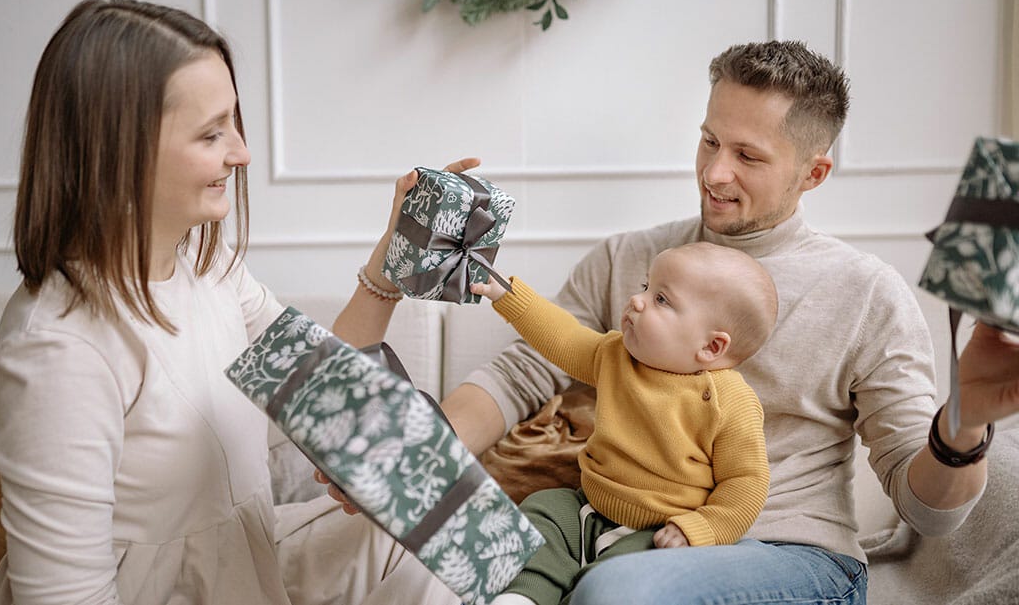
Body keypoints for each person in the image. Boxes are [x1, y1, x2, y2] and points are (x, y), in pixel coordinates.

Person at [434, 40, 1019, 604]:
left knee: (620, 591)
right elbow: (518, 375)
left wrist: (964, 423)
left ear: (813, 174)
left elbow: (930, 515)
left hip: (793, 556)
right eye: (709, 141)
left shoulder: (867, 293)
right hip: (621, 532)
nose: (714, 173)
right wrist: (421, 461)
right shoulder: (627, 260)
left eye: (747, 155)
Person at [0, 0, 469, 604]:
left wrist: (393, 258)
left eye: (234, 124)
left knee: (430, 526)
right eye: (211, 132)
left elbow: (318, 383)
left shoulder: (204, 263)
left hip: (245, 566)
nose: (242, 153)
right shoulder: (57, 348)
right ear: (119, 150)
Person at [468, 242, 776, 605]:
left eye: (661, 299)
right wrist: (510, 296)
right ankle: (523, 596)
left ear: (711, 347)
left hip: (659, 529)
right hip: (587, 507)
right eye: (646, 287)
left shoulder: (730, 402)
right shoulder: (615, 355)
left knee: (619, 580)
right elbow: (564, 338)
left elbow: (746, 482)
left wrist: (702, 528)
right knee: (539, 513)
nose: (637, 300)